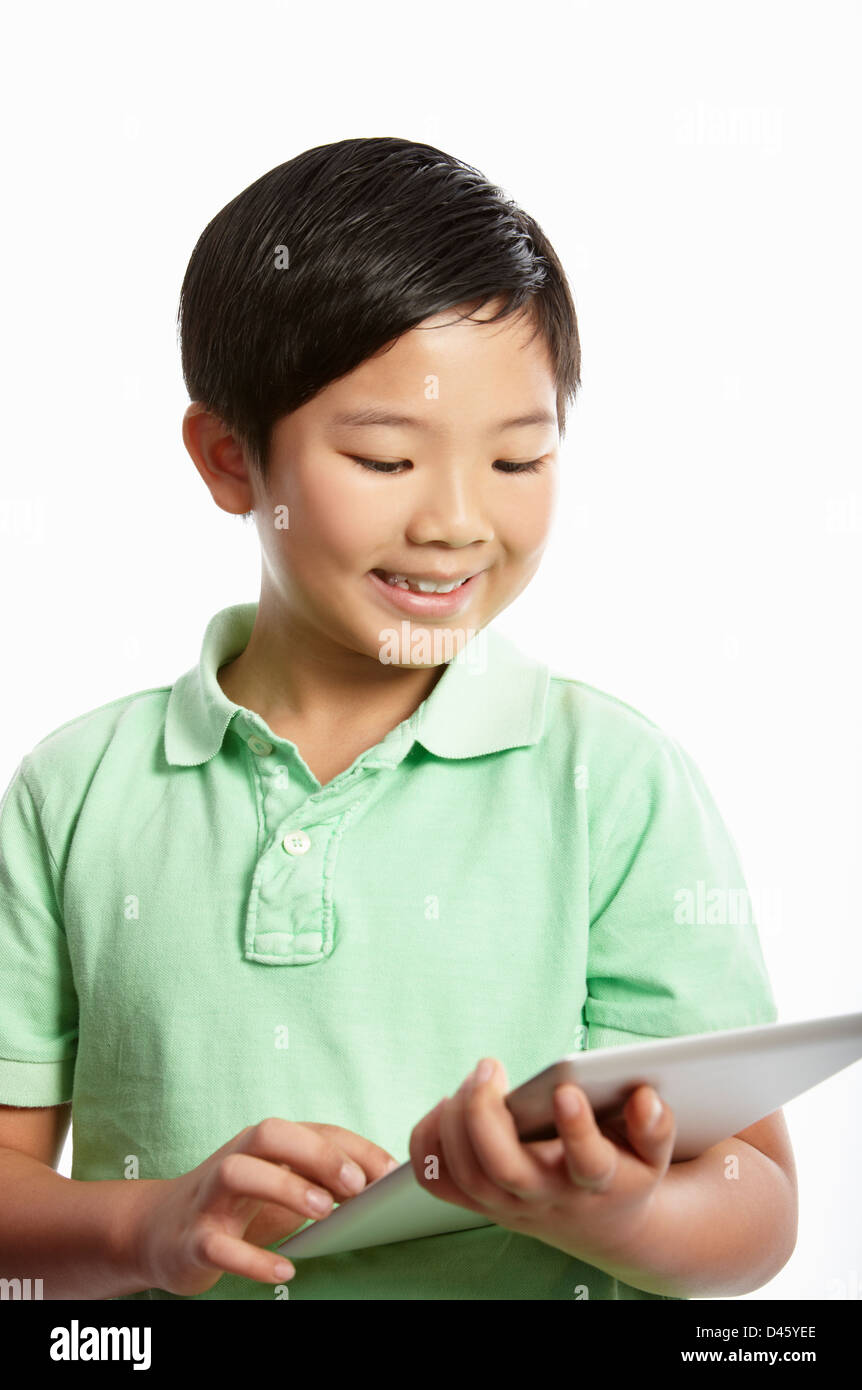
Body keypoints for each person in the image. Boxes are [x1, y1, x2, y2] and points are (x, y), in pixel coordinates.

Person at [0, 136, 796, 1301]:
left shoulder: (609, 780)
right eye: (383, 458)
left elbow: (759, 1205)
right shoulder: (75, 791)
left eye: (519, 459)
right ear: (231, 458)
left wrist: (617, 1208)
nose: (457, 523)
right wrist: (143, 1226)